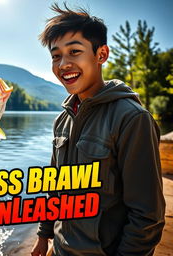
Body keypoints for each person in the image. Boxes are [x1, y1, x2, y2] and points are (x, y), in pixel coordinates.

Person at [31, 3, 165, 256]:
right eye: (56, 55)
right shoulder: (62, 120)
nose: (63, 64)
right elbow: (54, 187)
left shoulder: (132, 119)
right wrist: (44, 236)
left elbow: (148, 217)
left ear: (101, 55)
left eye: (74, 51)